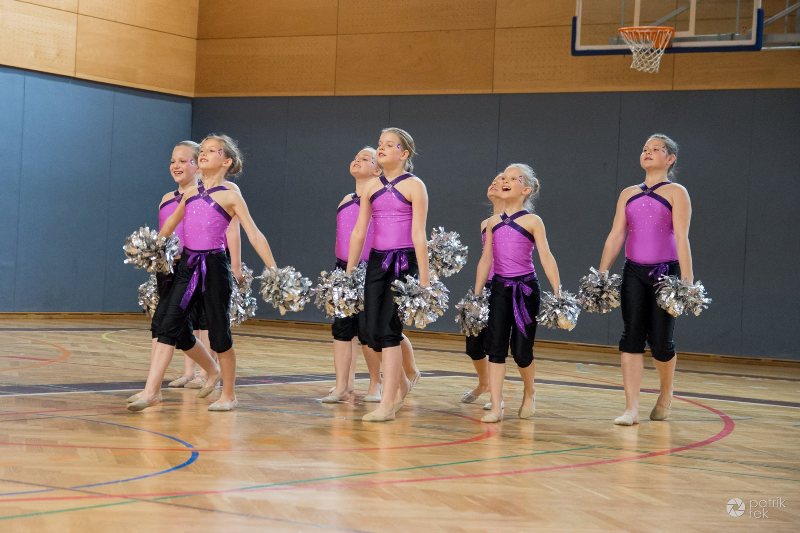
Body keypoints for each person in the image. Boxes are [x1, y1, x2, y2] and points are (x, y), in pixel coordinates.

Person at [130, 133, 278, 412]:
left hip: (214, 267)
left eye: (212, 151)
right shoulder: (189, 194)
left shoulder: (230, 196)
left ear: (226, 161)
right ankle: (153, 391)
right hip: (188, 265)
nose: (205, 154)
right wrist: (153, 248)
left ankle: (229, 394)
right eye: (204, 150)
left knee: (219, 332)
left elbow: (254, 234)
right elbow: (169, 226)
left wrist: (273, 270)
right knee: (169, 324)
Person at [596, 134, 693, 426]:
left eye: (656, 149)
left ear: (670, 158)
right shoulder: (628, 193)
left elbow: (682, 237)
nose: (648, 152)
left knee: (661, 343)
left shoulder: (676, 192)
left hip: (666, 273)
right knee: (631, 337)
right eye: (645, 149)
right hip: (633, 272)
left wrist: (687, 280)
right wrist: (601, 273)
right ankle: (631, 408)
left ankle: (666, 393)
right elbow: (616, 234)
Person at [347, 127, 428, 422]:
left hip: (403, 261)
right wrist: (349, 270)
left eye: (389, 144)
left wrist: (424, 279)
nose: (381, 147)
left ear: (404, 153)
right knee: (370, 331)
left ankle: (388, 403)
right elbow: (359, 232)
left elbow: (419, 234)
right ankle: (401, 383)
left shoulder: (414, 186)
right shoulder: (371, 187)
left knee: (389, 329)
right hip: (377, 261)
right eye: (380, 143)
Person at [473, 164, 562, 423]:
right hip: (499, 289)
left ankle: (529, 392)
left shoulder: (532, 221)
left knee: (522, 351)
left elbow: (546, 256)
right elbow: (486, 259)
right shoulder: (492, 222)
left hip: (525, 290)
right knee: (496, 348)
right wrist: (476, 295)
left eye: (514, 179)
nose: (506, 181)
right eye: (505, 177)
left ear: (526, 190)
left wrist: (558, 291)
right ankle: (497, 406)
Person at [321, 147, 382, 403]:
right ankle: (342, 385)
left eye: (365, 159)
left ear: (378, 170)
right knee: (342, 328)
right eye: (356, 157)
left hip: (370, 269)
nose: (357, 160)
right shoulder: (345, 199)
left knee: (368, 331)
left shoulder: (379, 199)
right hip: (343, 269)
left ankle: (376, 383)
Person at [460, 174, 503, 406]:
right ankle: (484, 382)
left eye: (501, 180)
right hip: (486, 287)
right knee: (474, 343)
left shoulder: (522, 220)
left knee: (497, 344)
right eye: (493, 180)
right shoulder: (485, 223)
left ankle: (498, 395)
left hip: (507, 286)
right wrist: (476, 294)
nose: (494, 183)